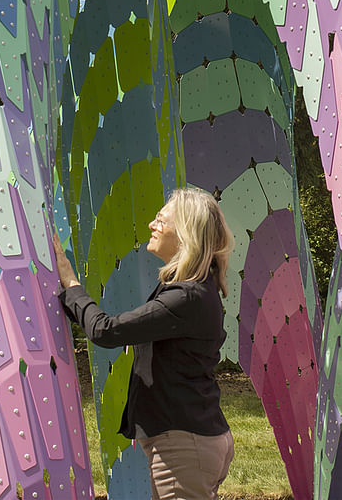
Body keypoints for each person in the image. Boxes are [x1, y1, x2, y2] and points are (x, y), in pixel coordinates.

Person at [52, 187, 235, 500]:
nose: (152, 224)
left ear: (186, 234)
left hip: (184, 446)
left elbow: (105, 331)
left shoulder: (185, 297)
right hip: (193, 441)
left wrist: (70, 283)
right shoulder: (193, 290)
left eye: (162, 221)